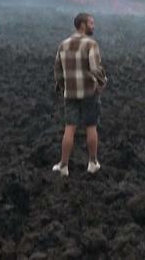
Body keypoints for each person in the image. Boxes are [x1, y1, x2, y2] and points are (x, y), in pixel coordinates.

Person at [53, 12, 107, 177]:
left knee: (69, 128)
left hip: (70, 93)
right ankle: (92, 162)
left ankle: (63, 165)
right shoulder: (91, 44)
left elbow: (58, 70)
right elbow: (94, 68)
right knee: (91, 126)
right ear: (82, 25)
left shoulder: (63, 44)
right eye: (91, 23)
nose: (93, 26)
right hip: (89, 92)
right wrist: (102, 81)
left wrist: (63, 86)